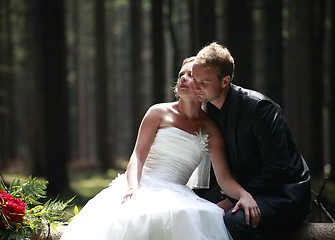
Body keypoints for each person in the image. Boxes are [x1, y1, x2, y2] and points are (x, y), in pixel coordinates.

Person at [60, 57, 260, 240]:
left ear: (201, 84)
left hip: (177, 193)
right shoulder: (158, 112)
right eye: (181, 74)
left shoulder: (210, 129)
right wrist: (133, 188)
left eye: (190, 75)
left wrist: (244, 195)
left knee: (190, 215)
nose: (183, 79)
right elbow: (137, 156)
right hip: (143, 184)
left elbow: (224, 179)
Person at [191, 42, 311, 239]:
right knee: (192, 210)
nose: (196, 86)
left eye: (203, 82)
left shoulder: (259, 109)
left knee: (233, 221)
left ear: (225, 81)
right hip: (243, 188)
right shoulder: (209, 109)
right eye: (194, 79)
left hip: (284, 193)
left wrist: (232, 199)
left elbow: (278, 169)